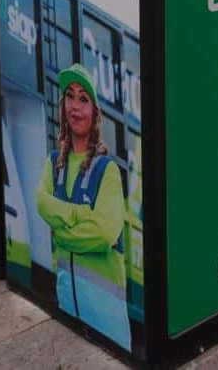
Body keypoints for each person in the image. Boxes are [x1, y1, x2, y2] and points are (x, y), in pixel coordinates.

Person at [37, 63, 130, 349]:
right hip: (67, 310)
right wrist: (81, 214)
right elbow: (41, 202)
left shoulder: (108, 171)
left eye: (83, 99)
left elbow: (104, 233)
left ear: (95, 113)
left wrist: (63, 233)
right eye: (70, 96)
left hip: (107, 321)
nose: (75, 106)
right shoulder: (54, 164)